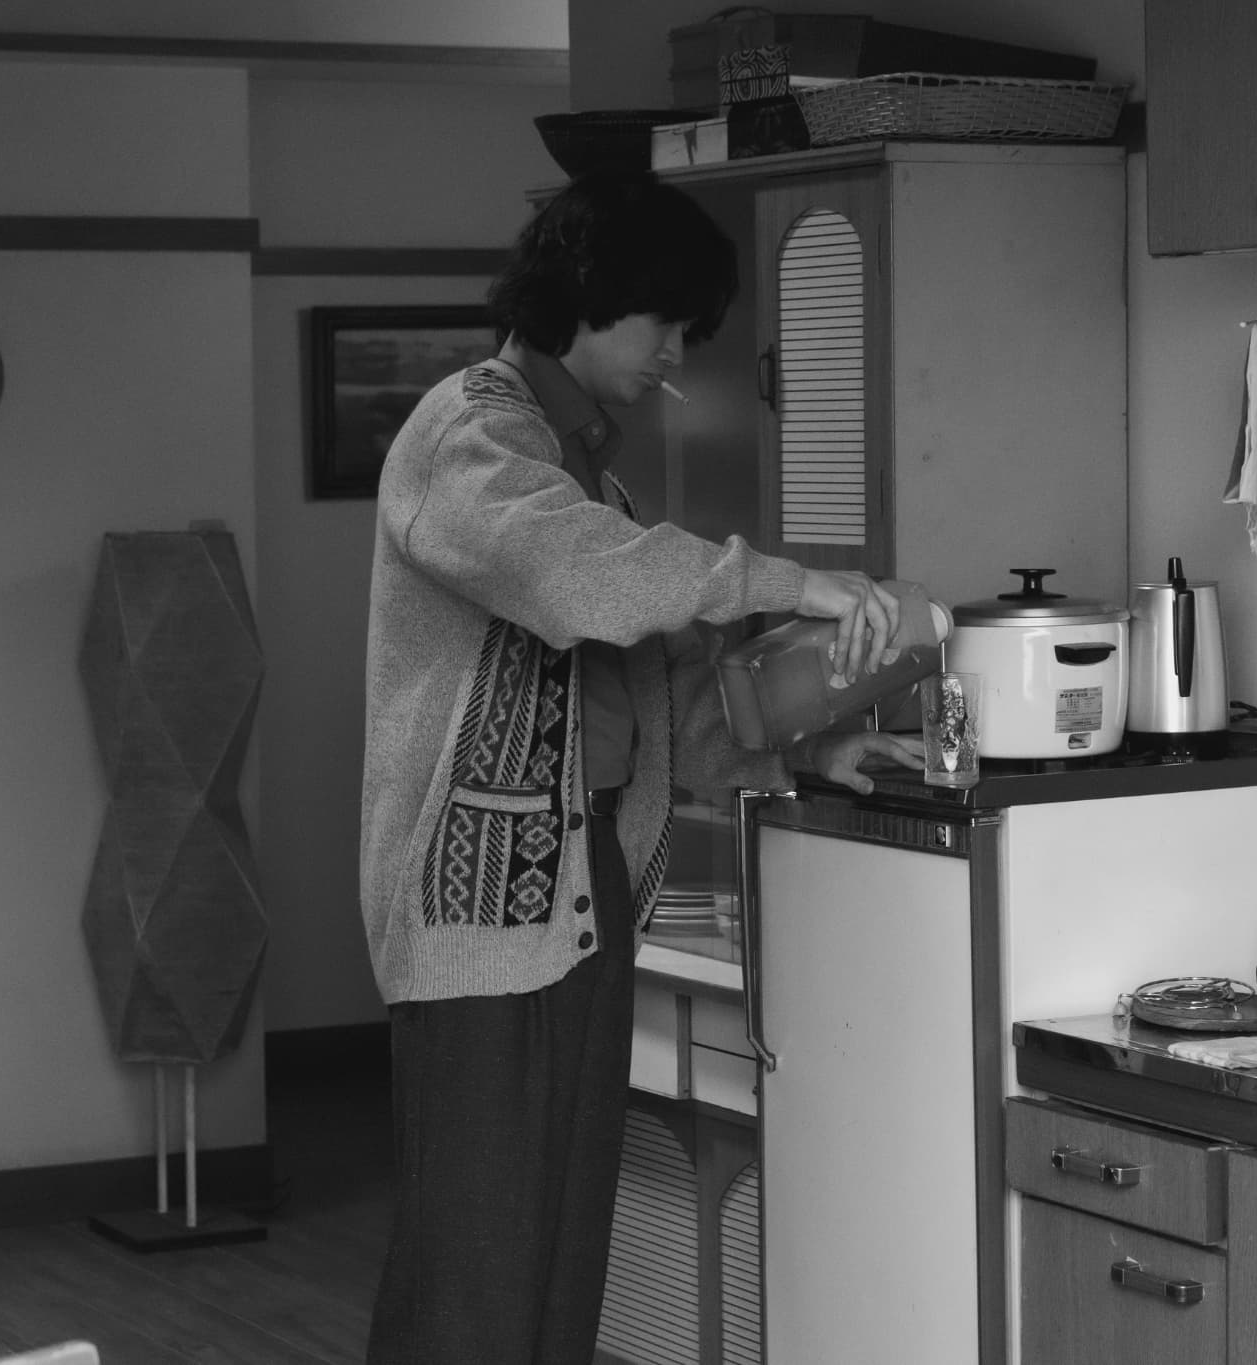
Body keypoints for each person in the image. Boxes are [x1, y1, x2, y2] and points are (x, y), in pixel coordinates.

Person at [358, 168, 924, 1365]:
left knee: (556, 1264)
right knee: (474, 1274)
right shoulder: (472, 435)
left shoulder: (584, 472)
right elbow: (577, 580)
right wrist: (790, 580)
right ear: (587, 293)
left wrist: (814, 747)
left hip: (577, 898)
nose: (674, 357)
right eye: (664, 323)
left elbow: (668, 704)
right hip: (476, 915)